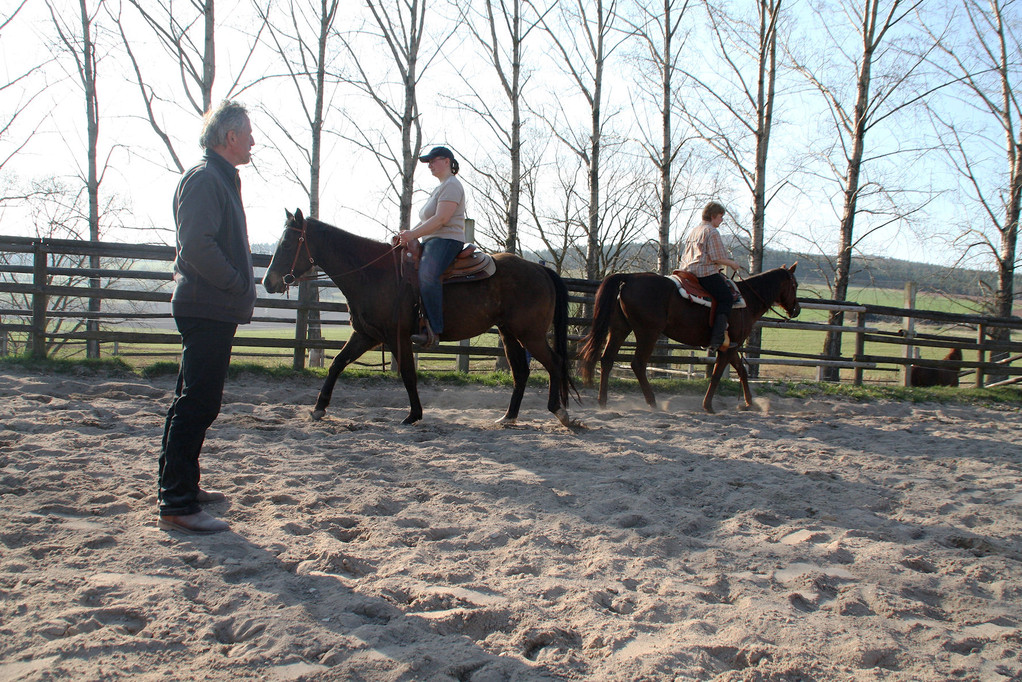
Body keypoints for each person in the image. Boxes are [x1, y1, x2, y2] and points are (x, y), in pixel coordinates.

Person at [157, 100, 257, 535]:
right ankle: (177, 502)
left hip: (210, 305)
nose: (253, 141)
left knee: (191, 400)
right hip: (207, 304)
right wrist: (236, 282)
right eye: (248, 133)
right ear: (230, 137)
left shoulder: (218, 178)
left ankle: (181, 488)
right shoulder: (204, 179)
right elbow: (197, 243)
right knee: (198, 403)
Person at [395, 146, 467, 349]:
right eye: (428, 163)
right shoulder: (440, 187)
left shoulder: (452, 185)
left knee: (427, 275)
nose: (430, 166)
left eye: (433, 161)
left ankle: (434, 329)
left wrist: (413, 235)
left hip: (446, 239)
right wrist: (408, 235)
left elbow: (442, 219)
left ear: (447, 161)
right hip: (432, 239)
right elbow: (428, 221)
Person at [679, 201, 743, 352]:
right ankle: (717, 339)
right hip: (704, 272)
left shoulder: (695, 230)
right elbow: (716, 258)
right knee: (726, 298)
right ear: (713, 216)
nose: (721, 220)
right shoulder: (712, 232)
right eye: (721, 217)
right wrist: (732, 264)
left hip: (688, 271)